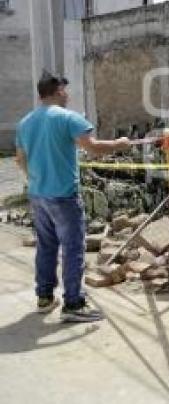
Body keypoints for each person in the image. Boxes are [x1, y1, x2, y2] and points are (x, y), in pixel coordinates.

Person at [15, 71, 130, 322]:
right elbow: (94, 147)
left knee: (46, 246)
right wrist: (120, 144)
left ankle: (45, 297)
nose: (67, 95)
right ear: (58, 91)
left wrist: (36, 179)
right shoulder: (68, 118)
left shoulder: (25, 123)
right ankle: (74, 303)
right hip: (64, 196)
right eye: (65, 91)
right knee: (73, 248)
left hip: (38, 195)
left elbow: (20, 159)